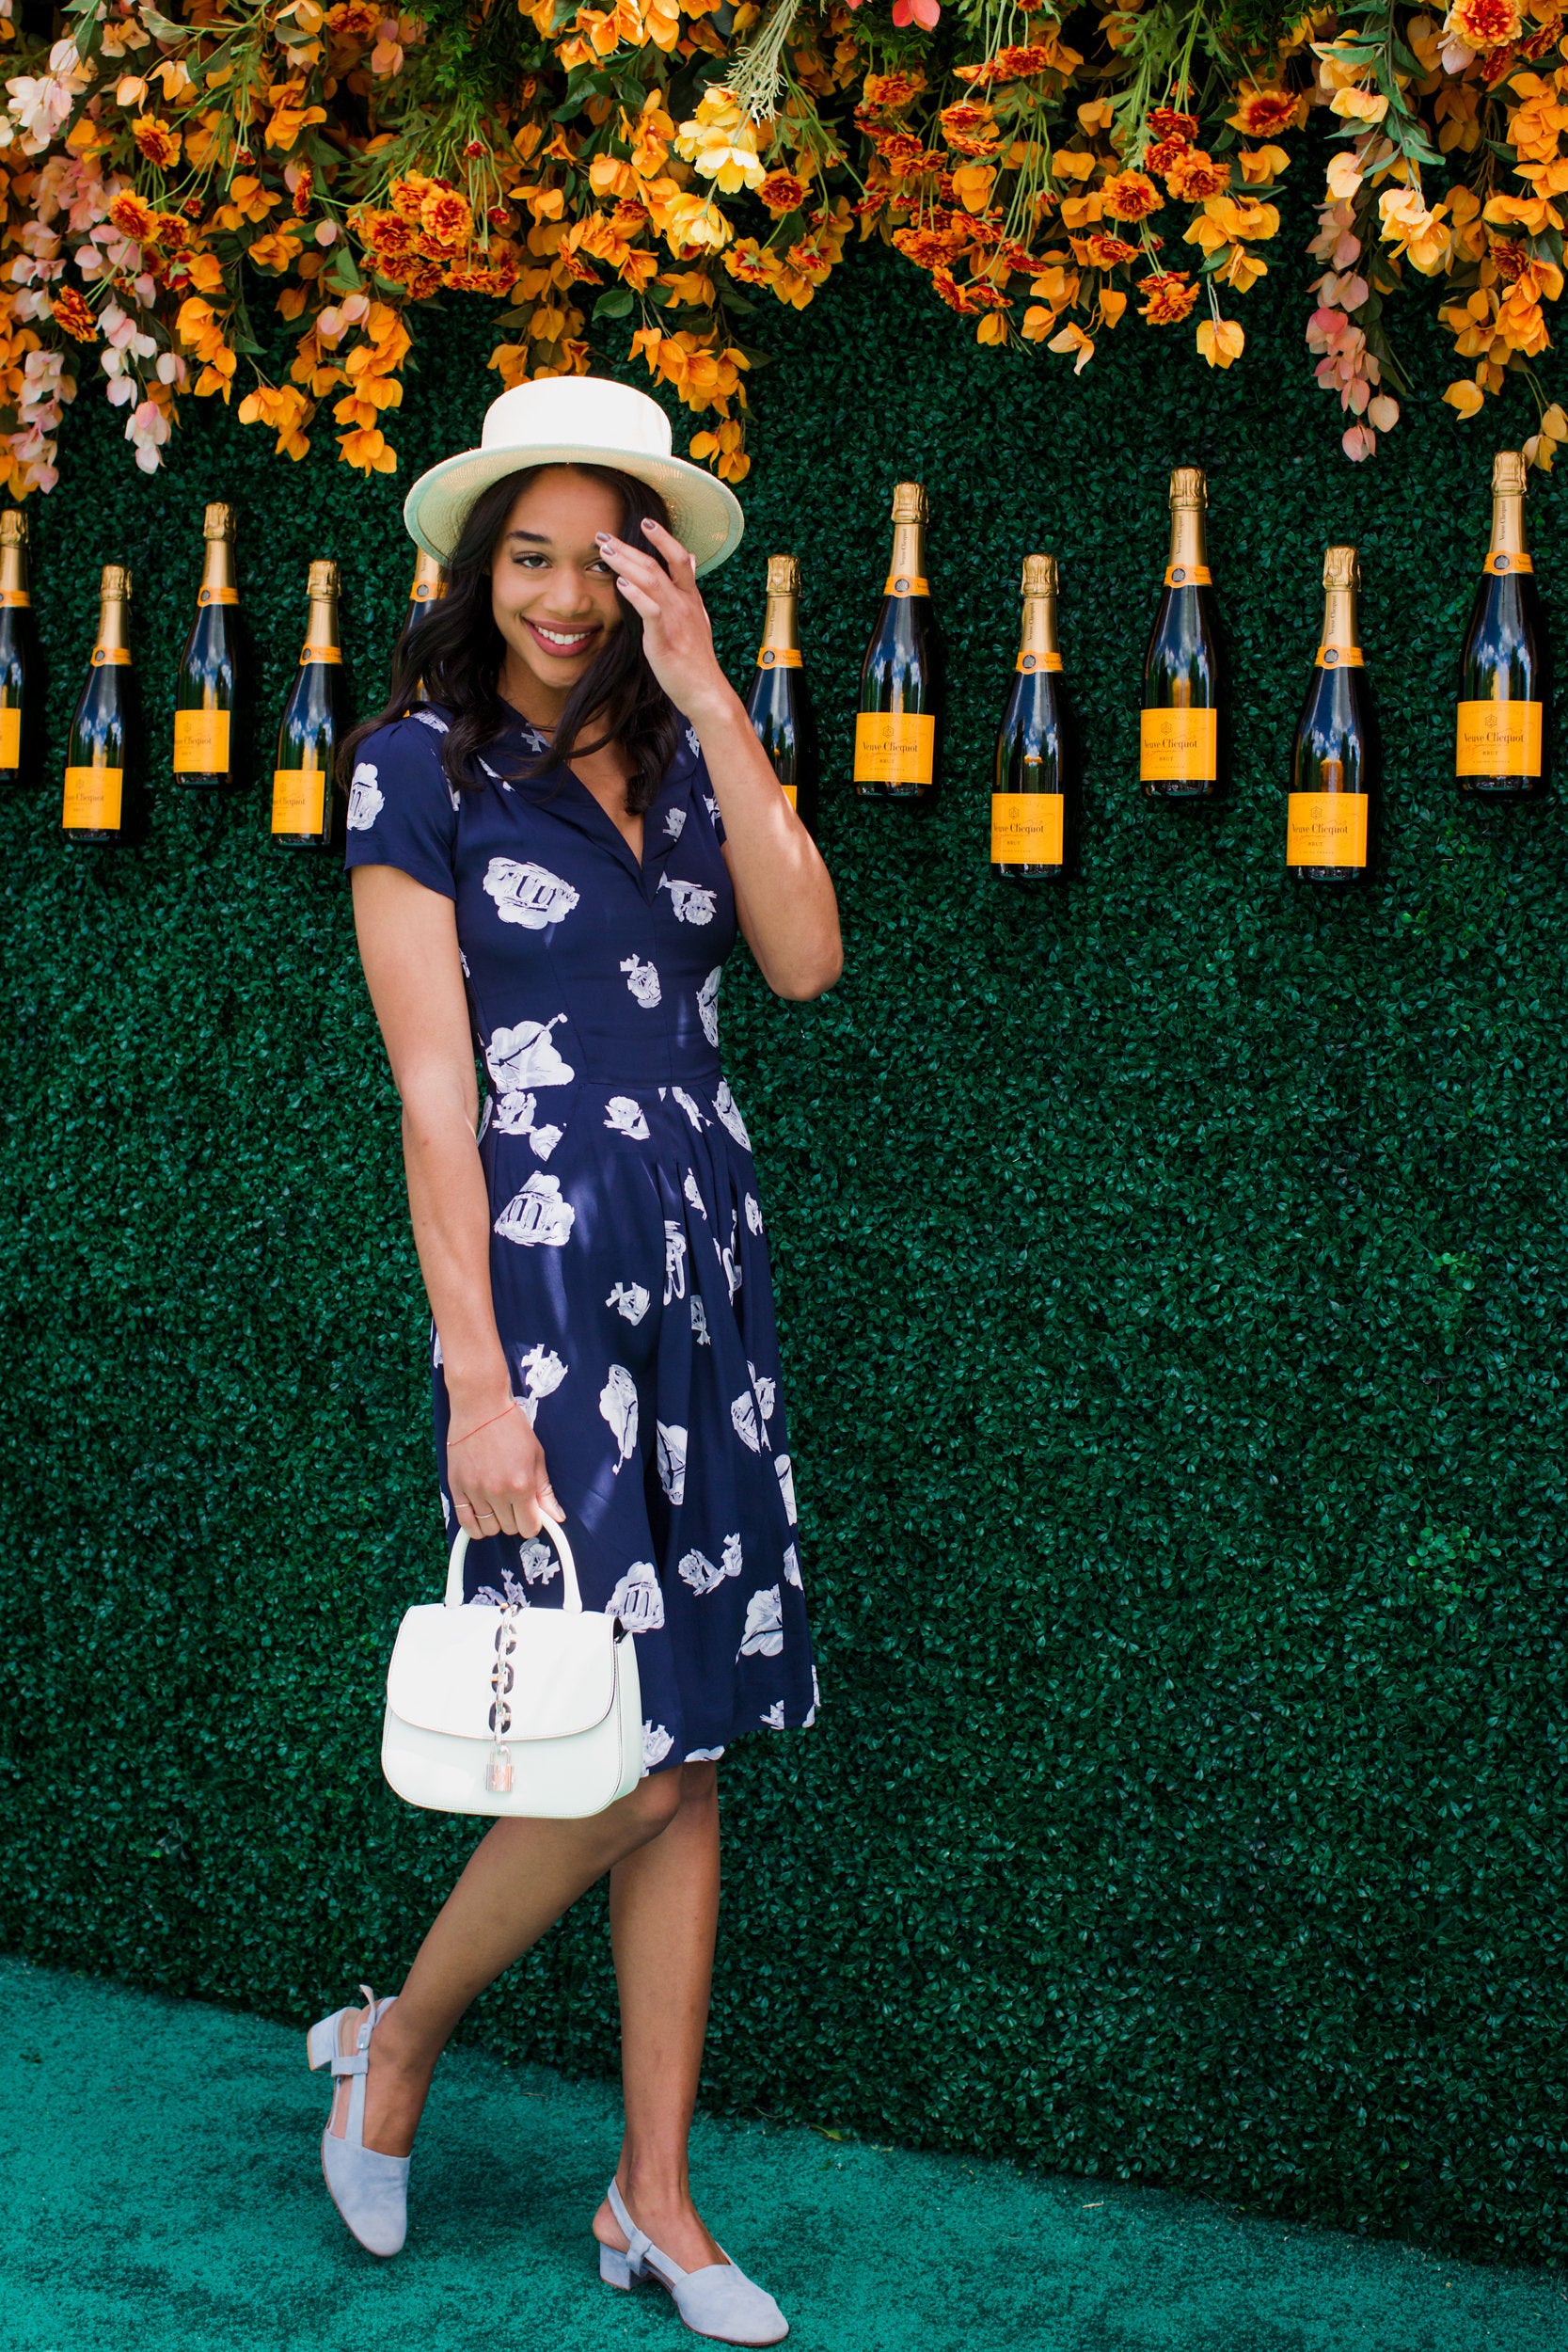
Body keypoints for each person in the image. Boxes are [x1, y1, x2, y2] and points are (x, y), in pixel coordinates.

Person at [307, 375, 841, 2348]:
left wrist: (713, 695)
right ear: (481, 572)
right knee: (618, 1751)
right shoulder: (412, 770)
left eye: (594, 563)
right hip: (538, 1285)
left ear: (651, 576)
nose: (557, 596)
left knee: (687, 1752)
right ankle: (397, 2041)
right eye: (526, 558)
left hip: (706, 1275)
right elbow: (432, 1092)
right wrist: (474, 1376)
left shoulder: (694, 750)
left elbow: (805, 957)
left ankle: (655, 2195)